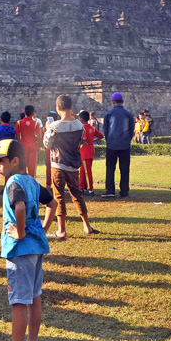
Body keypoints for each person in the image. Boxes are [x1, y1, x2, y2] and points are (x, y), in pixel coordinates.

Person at [0, 139, 58, 341]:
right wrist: (43, 228)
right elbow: (53, 204)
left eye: (0, 160)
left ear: (15, 161)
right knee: (34, 297)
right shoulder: (32, 182)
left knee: (19, 301)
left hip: (20, 250)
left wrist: (20, 232)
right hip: (36, 248)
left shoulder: (13, 182)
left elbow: (19, 207)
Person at [43, 94, 98, 238]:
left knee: (59, 196)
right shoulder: (79, 125)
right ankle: (86, 225)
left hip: (58, 164)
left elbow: (47, 144)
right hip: (73, 165)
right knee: (77, 195)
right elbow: (80, 141)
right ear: (71, 107)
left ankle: (61, 230)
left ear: (58, 108)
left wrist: (48, 128)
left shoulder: (55, 126)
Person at [102, 92, 134, 199]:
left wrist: (109, 140)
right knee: (125, 168)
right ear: (122, 102)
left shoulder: (109, 114)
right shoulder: (128, 114)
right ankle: (124, 191)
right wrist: (127, 140)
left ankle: (110, 190)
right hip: (125, 144)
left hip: (112, 144)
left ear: (113, 102)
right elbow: (131, 130)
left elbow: (106, 130)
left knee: (110, 168)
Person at [78, 111, 104, 197]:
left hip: (84, 151)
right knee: (84, 170)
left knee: (86, 171)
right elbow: (101, 136)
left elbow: (84, 138)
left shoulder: (83, 128)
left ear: (81, 119)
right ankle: (82, 187)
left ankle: (90, 189)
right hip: (90, 150)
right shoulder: (91, 128)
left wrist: (78, 142)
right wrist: (93, 140)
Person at [0, 111, 16, 194]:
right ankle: (7, 188)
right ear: (9, 120)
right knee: (8, 169)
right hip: (8, 152)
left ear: (1, 119)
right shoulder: (11, 130)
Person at [15, 105, 41, 178]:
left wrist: (19, 144)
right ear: (33, 113)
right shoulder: (36, 123)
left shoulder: (19, 122)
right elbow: (38, 136)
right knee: (32, 166)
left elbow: (17, 134)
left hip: (23, 146)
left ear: (25, 113)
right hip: (33, 146)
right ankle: (31, 182)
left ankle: (23, 181)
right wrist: (38, 146)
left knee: (22, 165)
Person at [43, 111, 60, 191]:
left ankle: (48, 184)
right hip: (56, 149)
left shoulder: (47, 125)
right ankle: (56, 184)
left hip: (48, 149)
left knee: (49, 167)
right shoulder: (58, 125)